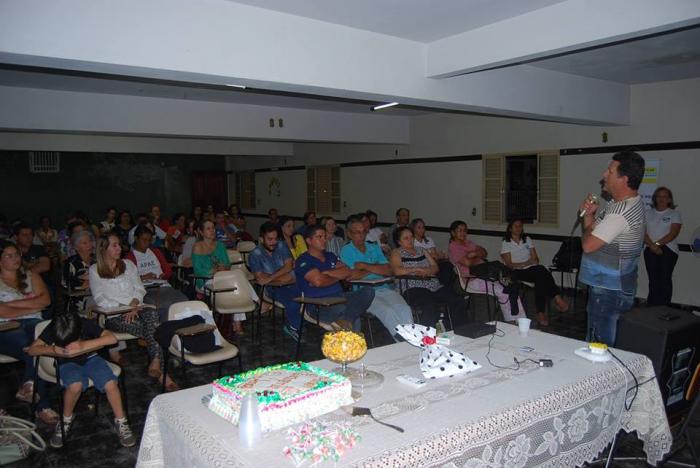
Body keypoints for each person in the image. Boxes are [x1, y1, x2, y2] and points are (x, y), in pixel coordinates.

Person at [26, 312, 136, 448]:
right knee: (75, 385)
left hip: (92, 359)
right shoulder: (55, 325)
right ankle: (65, 420)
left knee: (110, 383)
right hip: (66, 363)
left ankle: (121, 421)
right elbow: (32, 350)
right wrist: (54, 349)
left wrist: (83, 345)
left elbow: (111, 339)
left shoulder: (83, 323)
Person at [89, 234, 177, 390]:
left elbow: (139, 288)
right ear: (103, 249)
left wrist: (134, 304)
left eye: (119, 244)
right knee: (155, 330)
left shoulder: (128, 264)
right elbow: (100, 298)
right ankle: (162, 372)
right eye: (114, 245)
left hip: (138, 308)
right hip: (114, 315)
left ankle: (156, 362)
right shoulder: (95, 270)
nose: (119, 248)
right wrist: (126, 308)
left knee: (151, 314)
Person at [580, 150, 646, 346]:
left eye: (609, 171)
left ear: (623, 179)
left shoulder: (620, 213)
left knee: (599, 346)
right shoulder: (619, 204)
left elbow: (588, 245)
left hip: (609, 290)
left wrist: (586, 223)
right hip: (613, 285)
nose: (604, 174)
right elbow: (594, 232)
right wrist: (589, 216)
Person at [0, 241, 58, 424]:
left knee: (38, 342)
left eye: (16, 254)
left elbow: (46, 301)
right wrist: (30, 305)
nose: (15, 258)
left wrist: (9, 306)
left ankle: (29, 385)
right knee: (32, 347)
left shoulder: (30, 275)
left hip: (34, 322)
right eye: (8, 256)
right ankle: (42, 405)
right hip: (6, 328)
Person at [341, 220, 413, 341]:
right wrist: (376, 268)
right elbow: (352, 276)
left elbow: (389, 270)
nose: (361, 235)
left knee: (404, 309)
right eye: (357, 232)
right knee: (388, 311)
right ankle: (402, 341)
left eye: (364, 232)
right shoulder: (346, 250)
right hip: (364, 293)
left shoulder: (373, 247)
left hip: (385, 288)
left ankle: (412, 338)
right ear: (349, 234)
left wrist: (365, 266)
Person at [294, 227, 374, 331]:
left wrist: (326, 273)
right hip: (318, 305)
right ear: (309, 241)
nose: (324, 240)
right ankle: (348, 324)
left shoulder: (330, 256)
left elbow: (347, 271)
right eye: (319, 237)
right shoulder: (303, 260)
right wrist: (338, 276)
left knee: (369, 291)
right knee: (350, 314)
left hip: (339, 298)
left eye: (325, 237)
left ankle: (346, 321)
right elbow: (319, 282)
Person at [448, 220, 526, 322]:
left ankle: (521, 320)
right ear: (453, 233)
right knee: (503, 291)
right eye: (460, 231)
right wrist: (476, 256)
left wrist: (474, 254)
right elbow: (467, 263)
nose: (463, 233)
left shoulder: (468, 243)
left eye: (465, 230)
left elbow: (484, 252)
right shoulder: (453, 247)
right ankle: (512, 321)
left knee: (511, 287)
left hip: (483, 274)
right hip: (470, 279)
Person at [390, 227, 467, 327]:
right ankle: (428, 336)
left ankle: (461, 329)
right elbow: (397, 271)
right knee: (429, 304)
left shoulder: (421, 250)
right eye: (406, 238)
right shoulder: (396, 252)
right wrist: (416, 269)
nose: (410, 240)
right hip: (412, 287)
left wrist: (427, 271)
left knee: (457, 299)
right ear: (399, 241)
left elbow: (435, 267)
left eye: (411, 237)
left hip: (432, 285)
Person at [500, 220, 568, 326]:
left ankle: (541, 312)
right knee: (541, 274)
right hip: (515, 271)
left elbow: (536, 259)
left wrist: (529, 263)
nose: (518, 228)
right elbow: (509, 264)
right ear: (510, 228)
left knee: (541, 272)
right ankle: (556, 298)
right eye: (516, 226)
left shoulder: (527, 239)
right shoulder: (506, 242)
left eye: (520, 226)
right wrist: (525, 263)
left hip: (530, 269)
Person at [248, 222, 303, 340]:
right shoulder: (255, 254)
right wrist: (283, 276)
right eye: (270, 239)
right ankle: (293, 327)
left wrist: (270, 277)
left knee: (309, 294)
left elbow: (289, 266)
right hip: (271, 288)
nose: (274, 242)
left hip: (289, 283)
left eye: (275, 239)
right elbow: (260, 278)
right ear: (261, 239)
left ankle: (297, 323)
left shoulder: (282, 245)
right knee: (293, 302)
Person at [192, 219, 246, 333]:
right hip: (205, 281)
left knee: (235, 286)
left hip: (222, 278)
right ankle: (237, 321)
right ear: (201, 232)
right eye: (208, 228)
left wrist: (223, 268)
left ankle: (236, 321)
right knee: (234, 289)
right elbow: (198, 271)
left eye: (213, 228)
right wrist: (213, 271)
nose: (212, 231)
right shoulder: (197, 246)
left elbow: (227, 264)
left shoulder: (220, 245)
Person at [126, 226, 188, 322]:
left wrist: (163, 275)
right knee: (165, 305)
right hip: (146, 290)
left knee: (184, 301)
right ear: (136, 238)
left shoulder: (155, 252)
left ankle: (184, 328)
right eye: (144, 240)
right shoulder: (129, 257)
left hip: (163, 285)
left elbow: (168, 271)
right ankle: (168, 331)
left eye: (149, 240)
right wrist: (143, 277)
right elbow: (128, 280)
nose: (147, 243)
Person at [644, 187, 682, 306]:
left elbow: (673, 233)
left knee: (665, 279)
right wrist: (652, 246)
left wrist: (657, 245)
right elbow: (642, 232)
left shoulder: (674, 214)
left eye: (665, 196)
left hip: (668, 250)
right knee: (653, 280)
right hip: (650, 249)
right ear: (655, 198)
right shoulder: (647, 213)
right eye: (659, 196)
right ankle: (652, 307)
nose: (661, 199)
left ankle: (664, 308)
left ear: (669, 199)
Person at [62, 230, 95, 313]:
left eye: (90, 241)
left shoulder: (97, 260)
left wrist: (88, 280)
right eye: (84, 243)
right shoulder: (71, 263)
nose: (89, 245)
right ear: (76, 247)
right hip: (79, 301)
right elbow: (67, 284)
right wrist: (84, 281)